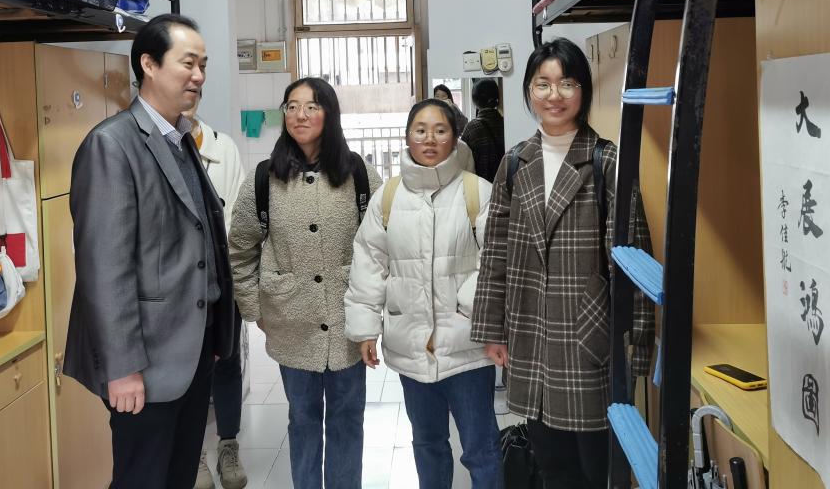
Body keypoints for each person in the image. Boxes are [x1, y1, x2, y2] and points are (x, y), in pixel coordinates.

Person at [470, 37, 655, 489]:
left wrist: (639, 342)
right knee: (552, 468)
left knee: (599, 470)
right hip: (529, 335)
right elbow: (495, 253)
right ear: (529, 91)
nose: (554, 95)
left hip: (590, 339)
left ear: (583, 91)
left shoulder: (606, 160)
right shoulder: (516, 162)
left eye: (567, 83)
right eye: (543, 84)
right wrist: (493, 330)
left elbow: (634, 258)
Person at [64, 14, 235, 489]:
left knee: (178, 475)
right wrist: (122, 370)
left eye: (203, 65)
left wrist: (214, 336)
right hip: (144, 360)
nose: (198, 76)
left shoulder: (179, 139)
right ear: (149, 65)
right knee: (143, 478)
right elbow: (105, 269)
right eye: (188, 63)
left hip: (190, 350)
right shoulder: (112, 145)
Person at [229, 77, 382, 489]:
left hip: (348, 322)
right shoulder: (264, 178)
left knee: (348, 418)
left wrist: (375, 311)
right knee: (303, 419)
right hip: (290, 321)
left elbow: (382, 244)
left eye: (312, 106)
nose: (300, 115)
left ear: (329, 114)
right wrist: (255, 309)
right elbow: (240, 248)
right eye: (292, 106)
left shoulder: (358, 174)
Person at [345, 98, 500, 489]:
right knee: (428, 444)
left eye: (440, 130)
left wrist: (468, 307)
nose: (430, 139)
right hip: (412, 347)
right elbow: (369, 263)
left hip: (467, 347)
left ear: (454, 138)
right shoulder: (388, 198)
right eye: (420, 130)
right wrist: (365, 329)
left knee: (481, 449)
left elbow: (499, 259)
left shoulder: (477, 192)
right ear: (407, 137)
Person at [185, 94, 249, 489]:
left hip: (221, 279)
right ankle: (192, 454)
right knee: (187, 368)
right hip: (178, 286)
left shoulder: (223, 148)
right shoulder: (153, 147)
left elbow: (239, 216)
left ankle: (228, 446)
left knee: (226, 360)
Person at [461, 78, 505, 182]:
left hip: (478, 186)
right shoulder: (506, 124)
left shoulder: (472, 128)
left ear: (474, 101)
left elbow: (462, 161)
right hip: (503, 185)